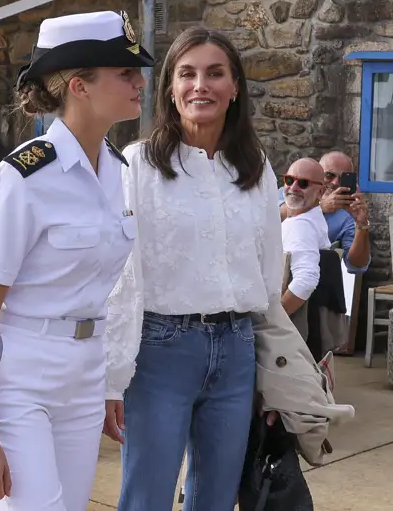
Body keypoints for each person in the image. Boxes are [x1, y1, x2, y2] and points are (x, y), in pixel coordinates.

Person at [0, 10, 153, 511]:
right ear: (79, 86)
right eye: (124, 72)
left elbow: (106, 291)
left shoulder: (116, 170)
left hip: (85, 373)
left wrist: (107, 380)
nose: (139, 81)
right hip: (21, 373)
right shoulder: (23, 179)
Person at [102, 26, 282, 510]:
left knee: (218, 498)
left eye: (214, 73)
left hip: (237, 348)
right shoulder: (137, 165)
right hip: (161, 350)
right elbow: (122, 278)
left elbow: (270, 273)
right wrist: (113, 377)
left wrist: (272, 364)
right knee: (148, 495)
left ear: (235, 88)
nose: (200, 85)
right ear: (170, 88)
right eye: (187, 74)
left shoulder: (255, 167)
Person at [279, 150, 370, 274]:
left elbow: (356, 265)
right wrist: (320, 207)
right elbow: (272, 218)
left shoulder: (347, 214)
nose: (335, 183)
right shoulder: (293, 189)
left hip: (312, 277)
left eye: (342, 178)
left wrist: (362, 225)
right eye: (329, 175)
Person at [281, 157, 331, 316]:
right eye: (289, 180)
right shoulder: (308, 219)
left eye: (303, 183)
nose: (293, 187)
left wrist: (275, 321)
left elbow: (306, 280)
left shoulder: (301, 225)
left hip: (292, 325)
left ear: (321, 192)